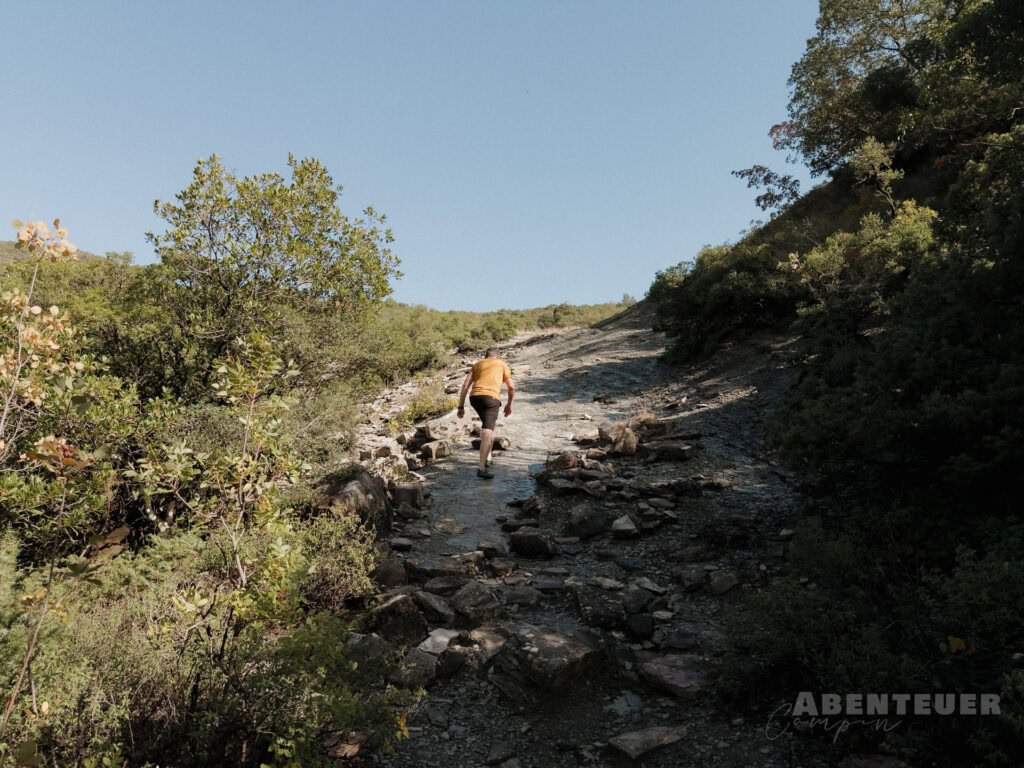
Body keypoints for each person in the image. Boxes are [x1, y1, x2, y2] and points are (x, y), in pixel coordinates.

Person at [457, 347, 515, 479]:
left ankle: (488, 457)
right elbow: (511, 387)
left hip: (475, 398)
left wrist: (461, 407)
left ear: (485, 356)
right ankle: (481, 468)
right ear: (498, 356)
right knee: (488, 430)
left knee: (490, 425)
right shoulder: (502, 364)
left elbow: (465, 385)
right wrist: (509, 405)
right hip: (491, 399)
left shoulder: (477, 364)